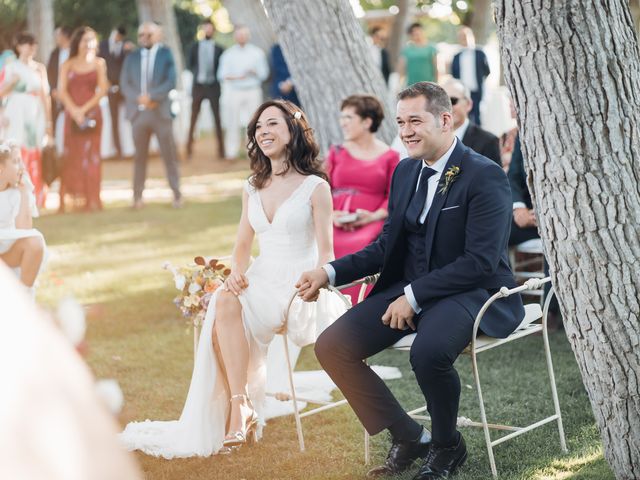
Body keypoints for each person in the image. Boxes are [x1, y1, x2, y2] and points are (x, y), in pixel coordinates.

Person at [296, 82, 524, 480]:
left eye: (415, 121)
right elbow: (387, 244)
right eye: (401, 122)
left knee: (428, 353)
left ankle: (446, 445)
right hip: (407, 288)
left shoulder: (484, 175)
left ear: (445, 119)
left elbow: (481, 261)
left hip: (469, 291)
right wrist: (328, 272)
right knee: (332, 346)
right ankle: (409, 435)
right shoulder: (405, 172)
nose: (406, 131)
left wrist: (414, 296)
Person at [120, 100, 345, 458]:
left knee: (220, 320)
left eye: (272, 124)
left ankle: (240, 410)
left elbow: (326, 251)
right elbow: (242, 244)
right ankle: (240, 406)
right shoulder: (252, 186)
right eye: (258, 127)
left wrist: (318, 279)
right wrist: (237, 272)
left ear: (293, 131)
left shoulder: (315, 187)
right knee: (224, 299)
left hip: (299, 285)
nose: (264, 132)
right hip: (261, 276)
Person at [327, 94, 399, 302]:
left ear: (367, 122)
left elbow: (393, 195)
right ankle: (331, 302)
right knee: (326, 242)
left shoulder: (390, 156)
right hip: (335, 220)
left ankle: (358, 302)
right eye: (342, 117)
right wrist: (331, 214)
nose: (343, 123)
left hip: (372, 221)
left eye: (349, 117)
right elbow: (323, 189)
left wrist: (373, 216)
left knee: (365, 244)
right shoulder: (336, 152)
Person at [120, 22, 182, 209]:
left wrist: (152, 97)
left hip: (161, 113)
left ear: (158, 35)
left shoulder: (166, 54)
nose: (144, 38)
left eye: (148, 34)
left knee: (169, 156)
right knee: (139, 157)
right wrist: (140, 99)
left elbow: (171, 80)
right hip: (138, 115)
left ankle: (177, 195)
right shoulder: (132, 57)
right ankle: (137, 198)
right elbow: (125, 83)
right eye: (141, 35)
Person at [57, 26, 108, 213]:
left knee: (92, 156)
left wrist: (84, 110)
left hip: (92, 114)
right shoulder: (68, 64)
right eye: (85, 40)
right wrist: (75, 111)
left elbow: (102, 90)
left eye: (92, 40)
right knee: (72, 155)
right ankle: (70, 199)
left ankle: (92, 198)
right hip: (72, 114)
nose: (89, 44)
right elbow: (61, 91)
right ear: (77, 43)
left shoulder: (99, 63)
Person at [0, 32, 53, 208]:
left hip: (34, 112)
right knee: (17, 150)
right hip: (15, 112)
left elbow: (45, 96)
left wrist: (48, 121)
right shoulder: (11, 67)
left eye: (33, 45)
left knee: (35, 150)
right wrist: (11, 84)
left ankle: (37, 195)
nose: (30, 48)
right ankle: (15, 193)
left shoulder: (39, 68)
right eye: (26, 44)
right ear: (19, 47)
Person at [217, 25, 269, 162]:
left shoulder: (257, 53)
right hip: (235, 91)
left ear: (248, 36)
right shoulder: (228, 54)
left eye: (244, 34)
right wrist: (237, 77)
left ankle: (253, 151)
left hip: (253, 90)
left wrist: (254, 72)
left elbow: (264, 74)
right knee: (232, 121)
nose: (242, 37)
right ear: (235, 36)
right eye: (239, 35)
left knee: (254, 122)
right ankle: (231, 152)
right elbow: (221, 75)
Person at [0, 142, 45, 293]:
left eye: (20, 161)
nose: (21, 167)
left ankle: (24, 299)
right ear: (1, 168)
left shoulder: (17, 193)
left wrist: (24, 193)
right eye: (15, 161)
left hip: (8, 251)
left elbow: (24, 230)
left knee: (35, 242)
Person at [186, 19, 225, 160]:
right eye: (205, 28)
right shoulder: (194, 46)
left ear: (213, 30)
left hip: (213, 87)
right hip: (198, 87)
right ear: (202, 29)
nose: (208, 31)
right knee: (193, 118)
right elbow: (189, 64)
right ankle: (188, 149)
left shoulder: (220, 48)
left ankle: (222, 151)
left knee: (217, 119)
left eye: (210, 28)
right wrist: (198, 74)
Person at [443, 79, 501, 166]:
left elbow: (494, 178)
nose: (448, 107)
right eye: (443, 103)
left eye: (453, 101)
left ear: (468, 104)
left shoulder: (488, 141)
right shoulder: (432, 139)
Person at [98, 26, 132, 159]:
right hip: (110, 90)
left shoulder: (126, 46)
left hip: (125, 89)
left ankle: (131, 148)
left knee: (129, 118)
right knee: (114, 120)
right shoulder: (102, 46)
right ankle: (118, 150)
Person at [451, 26, 490, 125]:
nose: (463, 39)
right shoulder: (456, 56)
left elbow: (487, 71)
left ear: (472, 37)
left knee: (477, 116)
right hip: (462, 92)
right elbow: (454, 74)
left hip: (476, 91)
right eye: (461, 37)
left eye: (465, 36)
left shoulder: (480, 53)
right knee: (463, 116)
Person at [46, 26, 73, 128]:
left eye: (58, 35)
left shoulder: (75, 53)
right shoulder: (55, 53)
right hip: (57, 94)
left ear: (65, 36)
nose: (56, 38)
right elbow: (50, 72)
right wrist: (53, 89)